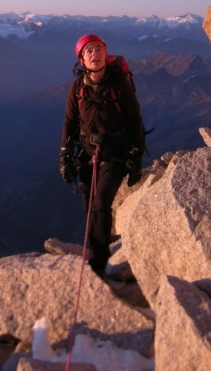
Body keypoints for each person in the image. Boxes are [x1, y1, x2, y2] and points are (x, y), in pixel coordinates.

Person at [59, 34, 144, 274]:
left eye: (98, 49)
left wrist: (135, 157)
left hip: (115, 154)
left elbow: (134, 120)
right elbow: (69, 123)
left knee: (100, 204)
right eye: (89, 51)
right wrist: (64, 156)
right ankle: (99, 248)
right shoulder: (77, 89)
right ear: (82, 60)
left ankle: (97, 263)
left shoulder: (119, 85)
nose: (94, 54)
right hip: (88, 154)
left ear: (106, 54)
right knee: (90, 207)